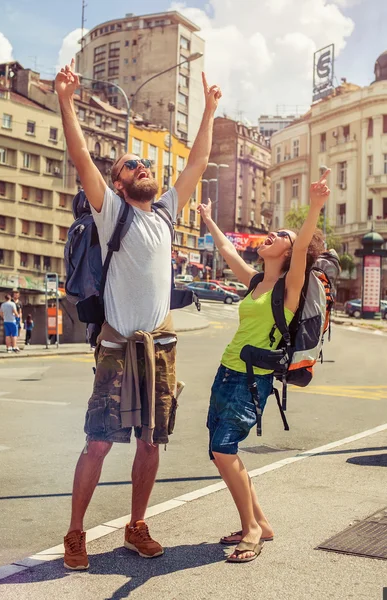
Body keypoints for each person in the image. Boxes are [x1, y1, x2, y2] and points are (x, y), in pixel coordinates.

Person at [55, 58, 221, 570]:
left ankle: (136, 526)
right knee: (99, 444)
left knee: (151, 443)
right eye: (130, 165)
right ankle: (75, 533)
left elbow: (195, 161)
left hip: (162, 350)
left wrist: (210, 110)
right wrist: (64, 101)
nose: (141, 167)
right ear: (117, 183)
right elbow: (82, 156)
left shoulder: (167, 211)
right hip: (116, 350)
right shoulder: (112, 211)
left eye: (144, 164)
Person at [197, 170, 330, 563]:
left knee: (224, 451)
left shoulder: (290, 288)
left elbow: (304, 245)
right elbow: (227, 252)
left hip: (251, 380)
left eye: (281, 236)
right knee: (221, 451)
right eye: (272, 232)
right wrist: (207, 219)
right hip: (226, 371)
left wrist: (315, 208)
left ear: (289, 253)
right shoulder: (256, 283)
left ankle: (252, 530)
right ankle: (261, 522)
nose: (272, 235)